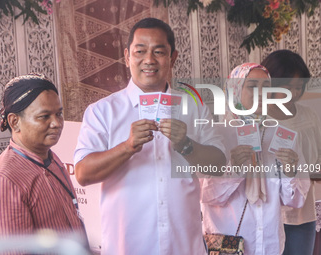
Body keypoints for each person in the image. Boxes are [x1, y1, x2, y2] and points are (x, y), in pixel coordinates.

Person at [74, 17, 226, 255]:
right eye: (140, 51)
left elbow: (218, 165)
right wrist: (127, 146)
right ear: (127, 56)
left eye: (158, 52)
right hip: (128, 245)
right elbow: (83, 174)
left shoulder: (193, 108)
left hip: (184, 245)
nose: (149, 60)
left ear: (172, 58)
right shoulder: (102, 111)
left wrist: (186, 145)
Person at [200, 63, 310, 255]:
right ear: (234, 89)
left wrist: (290, 172)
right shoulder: (214, 135)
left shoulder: (283, 136)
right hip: (226, 246)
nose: (261, 93)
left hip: (269, 245)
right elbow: (207, 195)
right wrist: (233, 169)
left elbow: (296, 201)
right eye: (252, 86)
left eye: (266, 88)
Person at [0, 74, 87, 247]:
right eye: (44, 116)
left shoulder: (51, 158)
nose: (56, 123)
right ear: (14, 122)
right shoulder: (2, 181)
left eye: (59, 114)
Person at [261, 49, 321, 255]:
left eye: (299, 88)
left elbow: (317, 160)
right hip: (267, 212)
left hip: (301, 213)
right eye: (288, 87)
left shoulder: (308, 116)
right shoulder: (256, 118)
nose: (294, 94)